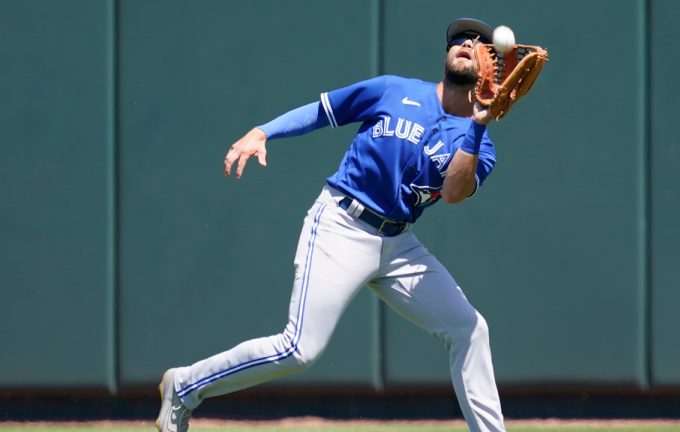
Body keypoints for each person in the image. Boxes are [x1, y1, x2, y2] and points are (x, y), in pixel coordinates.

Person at [156, 17, 507, 432]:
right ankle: (185, 385)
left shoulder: (478, 143)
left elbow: (453, 192)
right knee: (299, 349)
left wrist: (479, 124)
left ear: (492, 69)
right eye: (459, 40)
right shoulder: (395, 90)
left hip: (398, 244)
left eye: (479, 43)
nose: (466, 44)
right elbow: (324, 110)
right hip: (343, 222)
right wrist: (263, 132)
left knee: (469, 328)